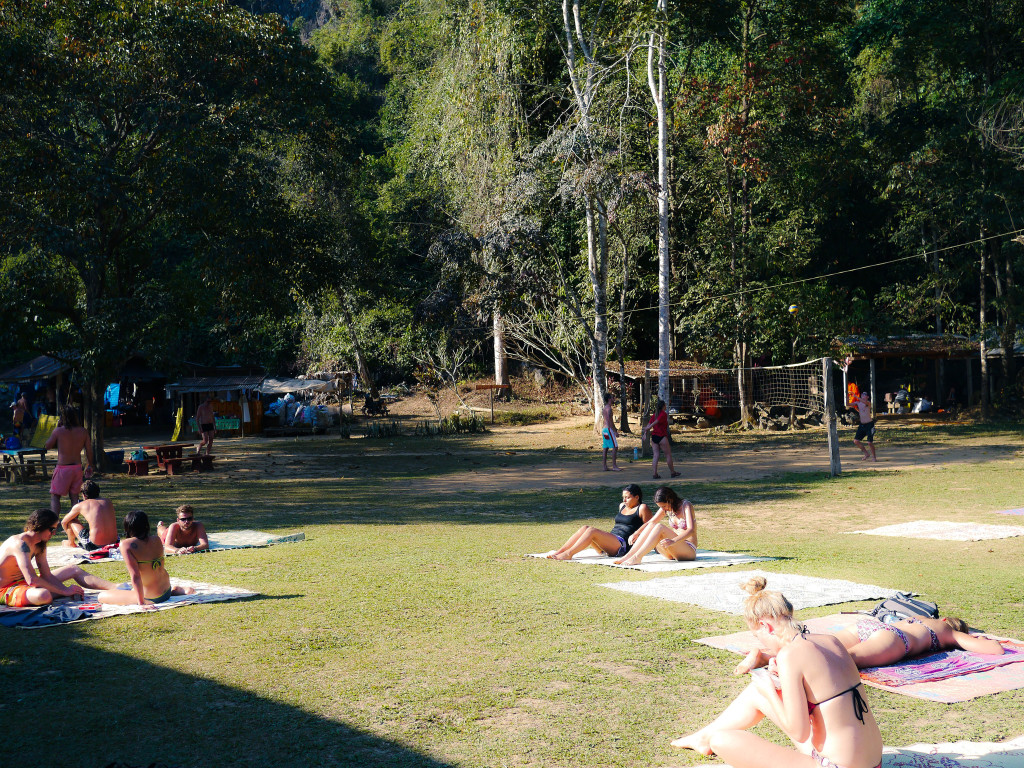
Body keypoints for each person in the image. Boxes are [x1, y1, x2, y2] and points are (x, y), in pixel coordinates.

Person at [673, 577, 883, 768]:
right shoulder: (831, 641)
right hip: (873, 762)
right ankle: (701, 738)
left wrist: (769, 691)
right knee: (756, 693)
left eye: (758, 636)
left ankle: (706, 738)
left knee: (721, 739)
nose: (761, 642)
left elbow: (799, 732)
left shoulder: (790, 655)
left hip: (836, 766)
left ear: (766, 626)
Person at [0, 508, 116, 607]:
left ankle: (116, 587)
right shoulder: (19, 544)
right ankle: (62, 593)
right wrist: (64, 590)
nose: (54, 533)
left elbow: (46, 575)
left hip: (24, 583)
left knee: (73, 569)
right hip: (6, 588)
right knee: (43, 595)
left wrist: (65, 590)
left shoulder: (39, 543)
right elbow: (32, 580)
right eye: (52, 529)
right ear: (41, 526)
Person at [97, 511, 195, 606]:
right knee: (132, 589)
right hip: (166, 590)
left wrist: (141, 602)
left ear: (128, 527)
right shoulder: (156, 539)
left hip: (151, 597)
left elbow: (135, 576)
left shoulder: (126, 544)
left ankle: (153, 596)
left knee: (101, 596)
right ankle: (175, 590)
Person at [834, 615, 1004, 668]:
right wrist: (979, 639)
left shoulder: (922, 618)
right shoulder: (948, 632)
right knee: (843, 660)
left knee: (822, 647)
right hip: (894, 639)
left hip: (868, 626)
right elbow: (995, 649)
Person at [546, 484, 652, 561]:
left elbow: (650, 526)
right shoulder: (622, 506)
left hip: (622, 545)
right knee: (585, 528)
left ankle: (569, 554)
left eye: (627, 497)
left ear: (637, 497)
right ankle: (559, 552)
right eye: (623, 497)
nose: (624, 500)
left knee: (592, 531)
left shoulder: (642, 508)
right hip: (611, 540)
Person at [614, 486, 697, 566]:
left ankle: (637, 557)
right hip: (672, 551)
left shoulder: (685, 505)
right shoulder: (666, 508)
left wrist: (673, 541)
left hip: (688, 550)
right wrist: (637, 533)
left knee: (659, 527)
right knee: (652, 525)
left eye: (664, 506)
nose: (663, 509)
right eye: (660, 507)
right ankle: (628, 556)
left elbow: (691, 530)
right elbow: (651, 522)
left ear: (670, 500)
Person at [44, 406, 95, 514]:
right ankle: (74, 521)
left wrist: (55, 429)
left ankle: (54, 522)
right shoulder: (83, 431)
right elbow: (89, 451)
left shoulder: (58, 431)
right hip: (77, 468)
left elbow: (47, 446)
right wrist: (90, 465)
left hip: (63, 468)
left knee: (55, 496)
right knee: (74, 497)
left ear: (63, 417)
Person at [60, 480, 118, 550]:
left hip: (94, 545)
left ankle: (71, 542)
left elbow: (64, 522)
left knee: (71, 520)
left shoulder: (80, 505)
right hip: (114, 543)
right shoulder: (108, 501)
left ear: (84, 495)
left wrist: (70, 534)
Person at [642, 399, 681, 480]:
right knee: (668, 455)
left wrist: (646, 431)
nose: (666, 406)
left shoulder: (655, 414)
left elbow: (650, 423)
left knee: (656, 455)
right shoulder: (663, 414)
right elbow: (656, 421)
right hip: (661, 436)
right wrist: (648, 428)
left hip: (654, 437)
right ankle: (672, 472)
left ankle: (655, 474)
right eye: (665, 405)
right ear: (663, 406)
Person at [852, 392, 876, 462]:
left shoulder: (868, 402)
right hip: (862, 425)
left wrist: (856, 397)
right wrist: (847, 398)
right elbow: (848, 405)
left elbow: (864, 402)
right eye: (862, 394)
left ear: (867, 397)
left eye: (865, 395)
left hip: (869, 424)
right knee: (856, 441)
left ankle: (874, 457)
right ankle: (866, 454)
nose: (863, 395)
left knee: (869, 442)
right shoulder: (858, 403)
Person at [601, 392, 622, 472]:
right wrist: (615, 431)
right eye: (613, 397)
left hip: (604, 429)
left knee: (605, 447)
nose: (614, 399)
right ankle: (614, 466)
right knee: (615, 447)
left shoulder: (605, 408)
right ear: (609, 399)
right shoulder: (609, 409)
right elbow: (610, 421)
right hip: (609, 429)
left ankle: (604, 466)